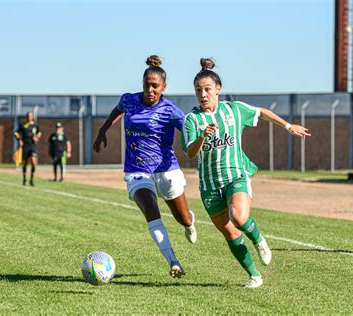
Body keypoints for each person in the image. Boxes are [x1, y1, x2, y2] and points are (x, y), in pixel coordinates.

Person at [181, 58, 311, 288]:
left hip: (236, 175)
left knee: (238, 217)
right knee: (230, 233)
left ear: (218, 90)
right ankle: (254, 276)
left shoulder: (234, 110)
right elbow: (190, 152)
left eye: (207, 90)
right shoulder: (192, 120)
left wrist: (289, 127)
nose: (203, 95)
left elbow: (261, 112)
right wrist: (202, 137)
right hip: (210, 186)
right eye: (198, 90)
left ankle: (259, 240)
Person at [93, 55, 197, 278]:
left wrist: (199, 140)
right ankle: (173, 262)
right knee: (151, 211)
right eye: (146, 85)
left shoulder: (170, 110)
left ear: (164, 87)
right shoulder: (129, 100)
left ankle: (190, 224)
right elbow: (117, 110)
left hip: (167, 170)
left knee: (183, 218)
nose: (150, 89)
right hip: (137, 170)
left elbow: (189, 128)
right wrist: (103, 131)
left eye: (155, 86)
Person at [14, 111, 42, 186]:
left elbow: (39, 133)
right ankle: (24, 179)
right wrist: (19, 140)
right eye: (28, 116)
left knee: (33, 162)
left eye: (31, 116)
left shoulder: (35, 125)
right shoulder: (23, 125)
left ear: (33, 117)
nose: (30, 117)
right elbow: (16, 133)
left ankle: (32, 179)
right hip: (25, 146)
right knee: (25, 163)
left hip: (32, 146)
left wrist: (37, 137)